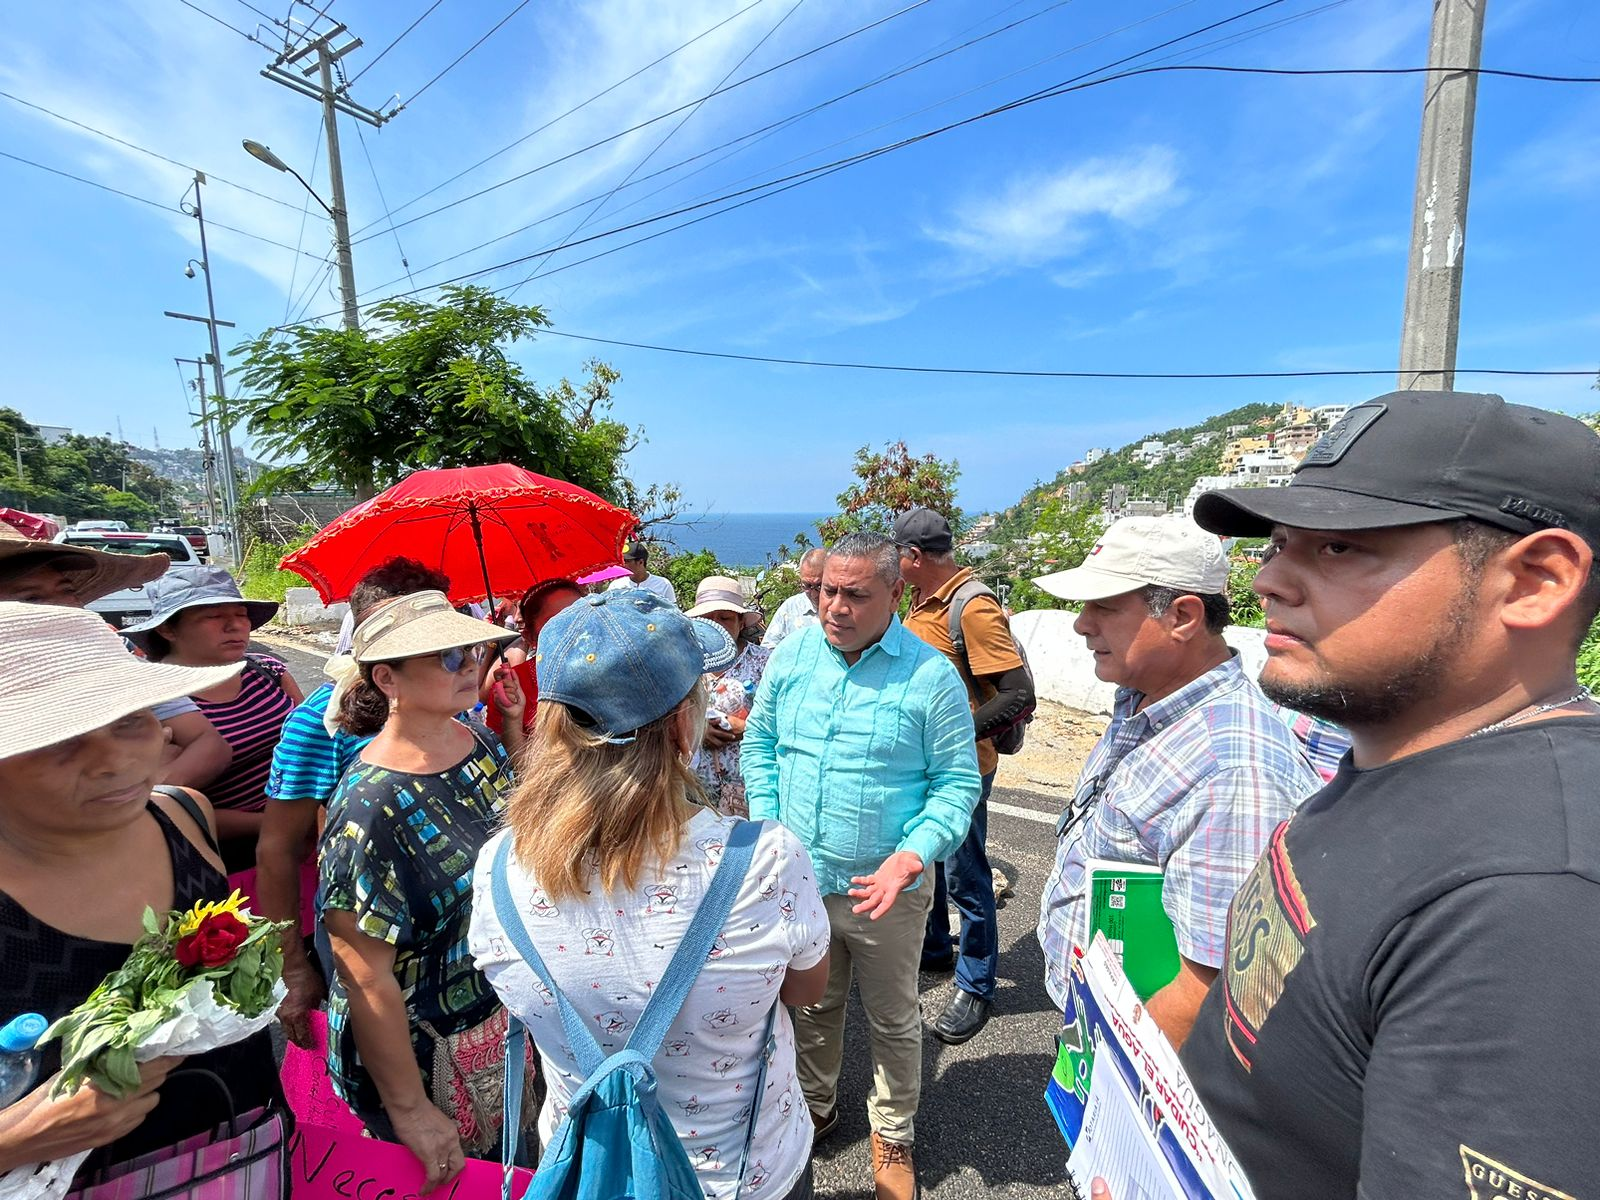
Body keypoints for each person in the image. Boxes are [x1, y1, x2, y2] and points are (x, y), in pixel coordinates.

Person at [1175, 391, 1600, 1198]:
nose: (1269, 580)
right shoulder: (1406, 756)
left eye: (1337, 548)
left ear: (1537, 582)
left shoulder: (1533, 898)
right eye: (1277, 545)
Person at [469, 590, 830, 1200]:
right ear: (679, 725)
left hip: (585, 1170)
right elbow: (806, 988)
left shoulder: (498, 866)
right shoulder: (764, 861)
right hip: (743, 1177)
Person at [0, 603, 281, 1183]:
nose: (115, 759)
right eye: (59, 736)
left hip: (247, 1147)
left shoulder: (184, 816)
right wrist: (16, 1140)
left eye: (131, 718)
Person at [742, 533, 981, 1200]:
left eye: (855, 594)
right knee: (814, 1005)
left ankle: (894, 1133)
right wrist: (770, 823)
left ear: (895, 595)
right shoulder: (791, 657)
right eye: (826, 591)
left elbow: (957, 785)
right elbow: (761, 741)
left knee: (893, 1016)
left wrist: (912, 856)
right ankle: (817, 1105)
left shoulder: (929, 676)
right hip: (802, 882)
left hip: (887, 888)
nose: (834, 607)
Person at [1033, 516, 1323, 1048]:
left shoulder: (1234, 770)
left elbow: (1209, 989)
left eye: (1104, 605)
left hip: (1139, 1053)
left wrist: (1102, 1073)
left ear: (1183, 616)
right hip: (1104, 1014)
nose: (1081, 624)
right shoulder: (1147, 700)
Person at [320, 590, 526, 1189]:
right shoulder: (371, 802)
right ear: (388, 679)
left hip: (490, 1018)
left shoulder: (478, 743)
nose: (471, 665)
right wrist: (410, 1109)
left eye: (471, 651)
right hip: (422, 1051)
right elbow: (362, 971)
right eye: (447, 658)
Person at [257, 556, 450, 1049]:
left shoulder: (453, 704)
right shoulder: (320, 722)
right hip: (365, 936)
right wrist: (294, 968)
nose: (444, 653)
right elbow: (277, 849)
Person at [893, 507, 1035, 1045]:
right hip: (922, 766)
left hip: (961, 768)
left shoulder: (971, 607)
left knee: (965, 876)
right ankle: (934, 952)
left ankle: (976, 983)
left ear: (912, 557)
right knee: (927, 860)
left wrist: (954, 737)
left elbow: (1018, 694)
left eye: (897, 556)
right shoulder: (922, 599)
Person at [0, 522, 232, 789]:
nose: (68, 607)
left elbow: (208, 742)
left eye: (68, 592)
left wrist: (149, 795)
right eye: (31, 599)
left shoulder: (111, 659)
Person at [125, 565, 303, 874]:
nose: (235, 626)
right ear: (168, 630)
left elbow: (317, 739)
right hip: (226, 857)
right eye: (213, 617)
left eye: (241, 615)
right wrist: (277, 823)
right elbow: (163, 802)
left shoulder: (267, 671)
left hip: (307, 831)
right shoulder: (152, 700)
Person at [686, 575, 773, 818]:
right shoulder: (684, 663)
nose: (716, 625)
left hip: (747, 787)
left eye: (725, 618)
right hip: (692, 792)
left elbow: (782, 721)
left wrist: (746, 728)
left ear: (741, 622)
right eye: (707, 618)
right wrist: (697, 729)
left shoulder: (764, 663)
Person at [477, 578, 582, 738]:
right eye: (558, 622)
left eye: (583, 615)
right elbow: (510, 758)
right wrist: (512, 719)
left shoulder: (619, 663)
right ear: (530, 637)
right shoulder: (513, 688)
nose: (578, 628)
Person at [763, 549, 826, 648]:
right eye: (807, 586)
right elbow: (768, 648)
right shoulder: (791, 607)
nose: (814, 595)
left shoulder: (843, 609)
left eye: (819, 586)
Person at [606, 540, 678, 607]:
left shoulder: (663, 584)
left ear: (640, 562)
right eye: (622, 561)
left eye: (626, 561)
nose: (622, 565)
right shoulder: (616, 585)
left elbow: (674, 612)